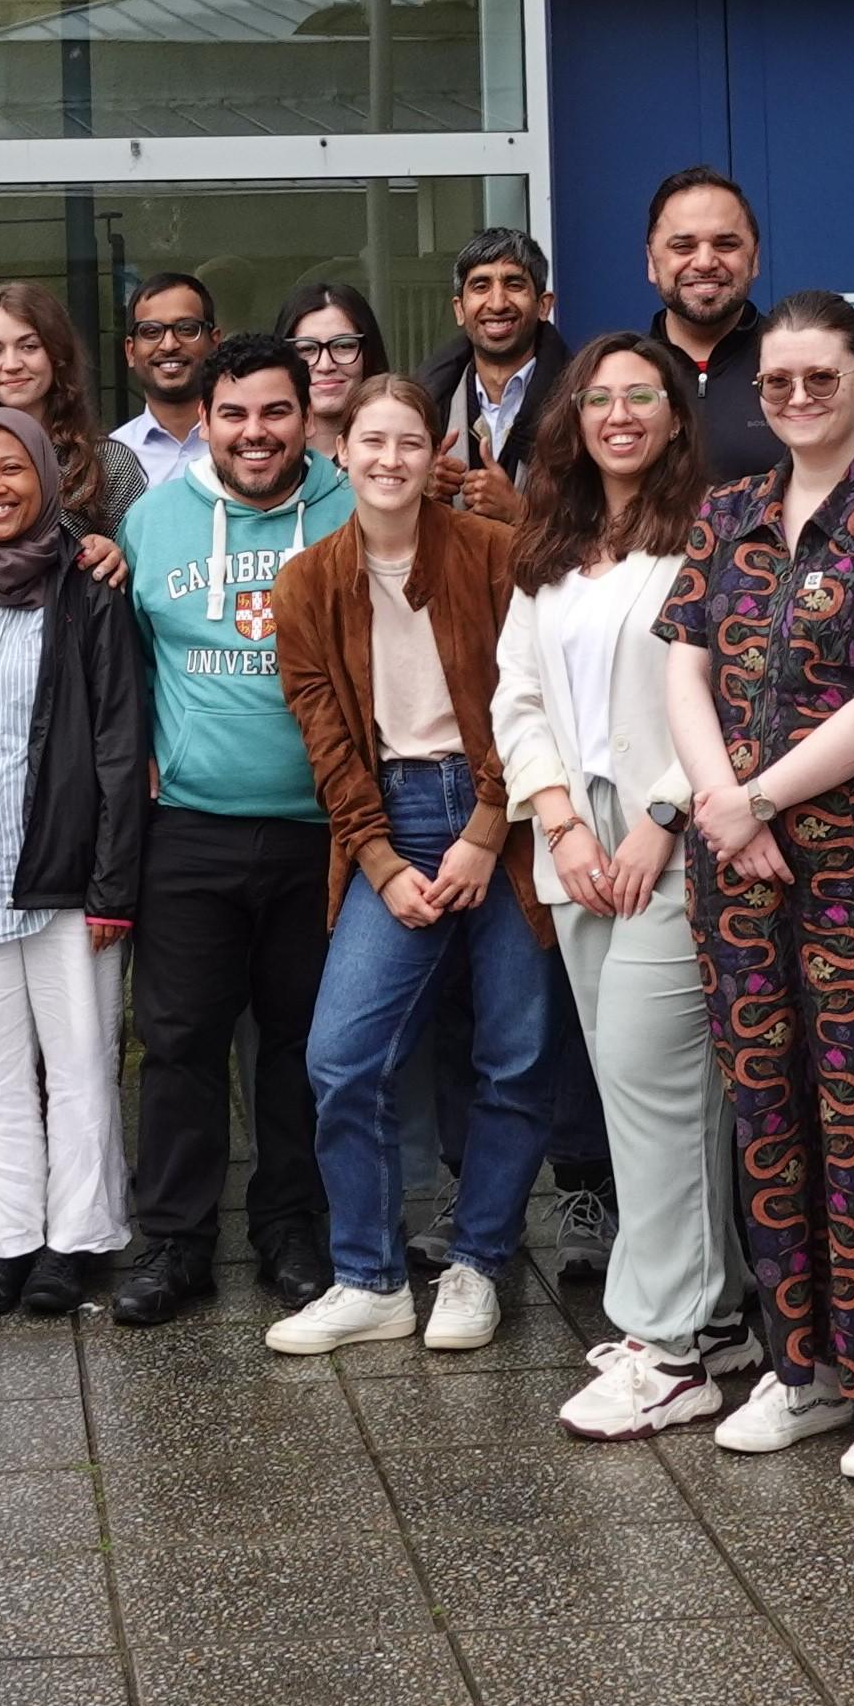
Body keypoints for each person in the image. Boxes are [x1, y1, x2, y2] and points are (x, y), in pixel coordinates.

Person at [658, 291, 854, 1483]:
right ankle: (805, 1368)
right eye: (775, 383)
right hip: (734, 867)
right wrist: (720, 807)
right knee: (769, 1116)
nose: (794, 399)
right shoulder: (724, 513)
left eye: (818, 380)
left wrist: (758, 801)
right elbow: (682, 672)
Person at [496, 334, 755, 1438]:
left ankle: (667, 1343)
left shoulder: (713, 530)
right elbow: (513, 696)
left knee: (657, 1091)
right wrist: (555, 821)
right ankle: (725, 1314)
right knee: (634, 1093)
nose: (617, 415)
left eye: (639, 397)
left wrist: (659, 819)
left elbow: (730, 689)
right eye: (597, 398)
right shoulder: (552, 542)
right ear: (572, 417)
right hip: (575, 845)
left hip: (673, 832)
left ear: (673, 414)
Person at [268, 376, 542, 1358]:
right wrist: (380, 862)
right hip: (384, 820)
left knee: (512, 1051)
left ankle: (477, 1263)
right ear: (339, 451)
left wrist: (484, 824)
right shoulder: (304, 582)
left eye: (409, 443)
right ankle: (369, 1279)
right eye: (370, 442)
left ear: (437, 457)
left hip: (500, 818)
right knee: (339, 1056)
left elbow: (529, 697)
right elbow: (327, 742)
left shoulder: (493, 555)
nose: (388, 460)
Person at [110, 331, 355, 1323]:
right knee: (177, 1043)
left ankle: (289, 1229)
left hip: (323, 834)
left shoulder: (352, 509)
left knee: (299, 1046)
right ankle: (173, 1241)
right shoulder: (148, 523)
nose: (255, 434)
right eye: (235, 414)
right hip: (190, 833)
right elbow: (120, 664)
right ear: (202, 421)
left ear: (305, 416)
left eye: (274, 412)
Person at [0, 408, 149, 1319]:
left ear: (48, 477)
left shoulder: (87, 584)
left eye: (13, 469)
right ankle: (6, 1238)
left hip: (66, 870)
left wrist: (113, 884)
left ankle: (76, 1238)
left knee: (82, 1060)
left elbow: (121, 746)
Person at [638, 166, 854, 483]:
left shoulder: (825, 368)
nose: (705, 262)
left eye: (726, 244)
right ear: (651, 260)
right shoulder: (621, 378)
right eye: (683, 246)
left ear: (755, 258)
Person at [0, 279, 151, 543]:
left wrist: (115, 556)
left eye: (29, 346)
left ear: (57, 355)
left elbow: (141, 566)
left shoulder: (108, 463)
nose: (11, 364)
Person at [423, 226, 569, 526]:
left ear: (544, 305)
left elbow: (607, 527)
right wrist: (419, 493)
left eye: (514, 284)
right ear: (459, 309)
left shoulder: (583, 402)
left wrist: (521, 513)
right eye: (480, 286)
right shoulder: (427, 406)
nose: (498, 303)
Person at [112, 272, 217, 494]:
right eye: (151, 331)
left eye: (186, 328)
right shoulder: (111, 457)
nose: (169, 345)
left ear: (215, 343)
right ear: (130, 351)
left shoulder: (245, 443)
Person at [278, 278, 392, 433]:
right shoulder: (255, 451)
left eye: (344, 346)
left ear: (369, 352)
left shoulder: (399, 453)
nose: (325, 365)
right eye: (306, 349)